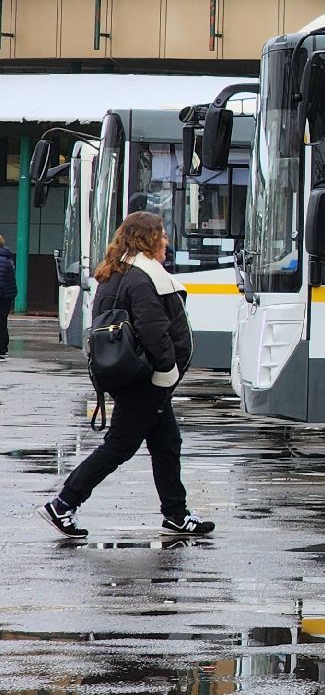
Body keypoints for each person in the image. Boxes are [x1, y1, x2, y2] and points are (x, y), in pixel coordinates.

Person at [39, 211, 215, 540]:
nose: (165, 241)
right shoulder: (143, 277)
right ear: (146, 239)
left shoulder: (115, 273)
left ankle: (176, 513)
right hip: (147, 380)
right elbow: (154, 331)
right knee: (119, 446)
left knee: (167, 443)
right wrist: (167, 370)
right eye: (161, 235)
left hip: (131, 375)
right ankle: (63, 503)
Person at [0, 234, 15, 359]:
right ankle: (3, 348)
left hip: (2, 295)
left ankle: (1, 349)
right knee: (3, 322)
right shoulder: (7, 259)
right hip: (7, 296)